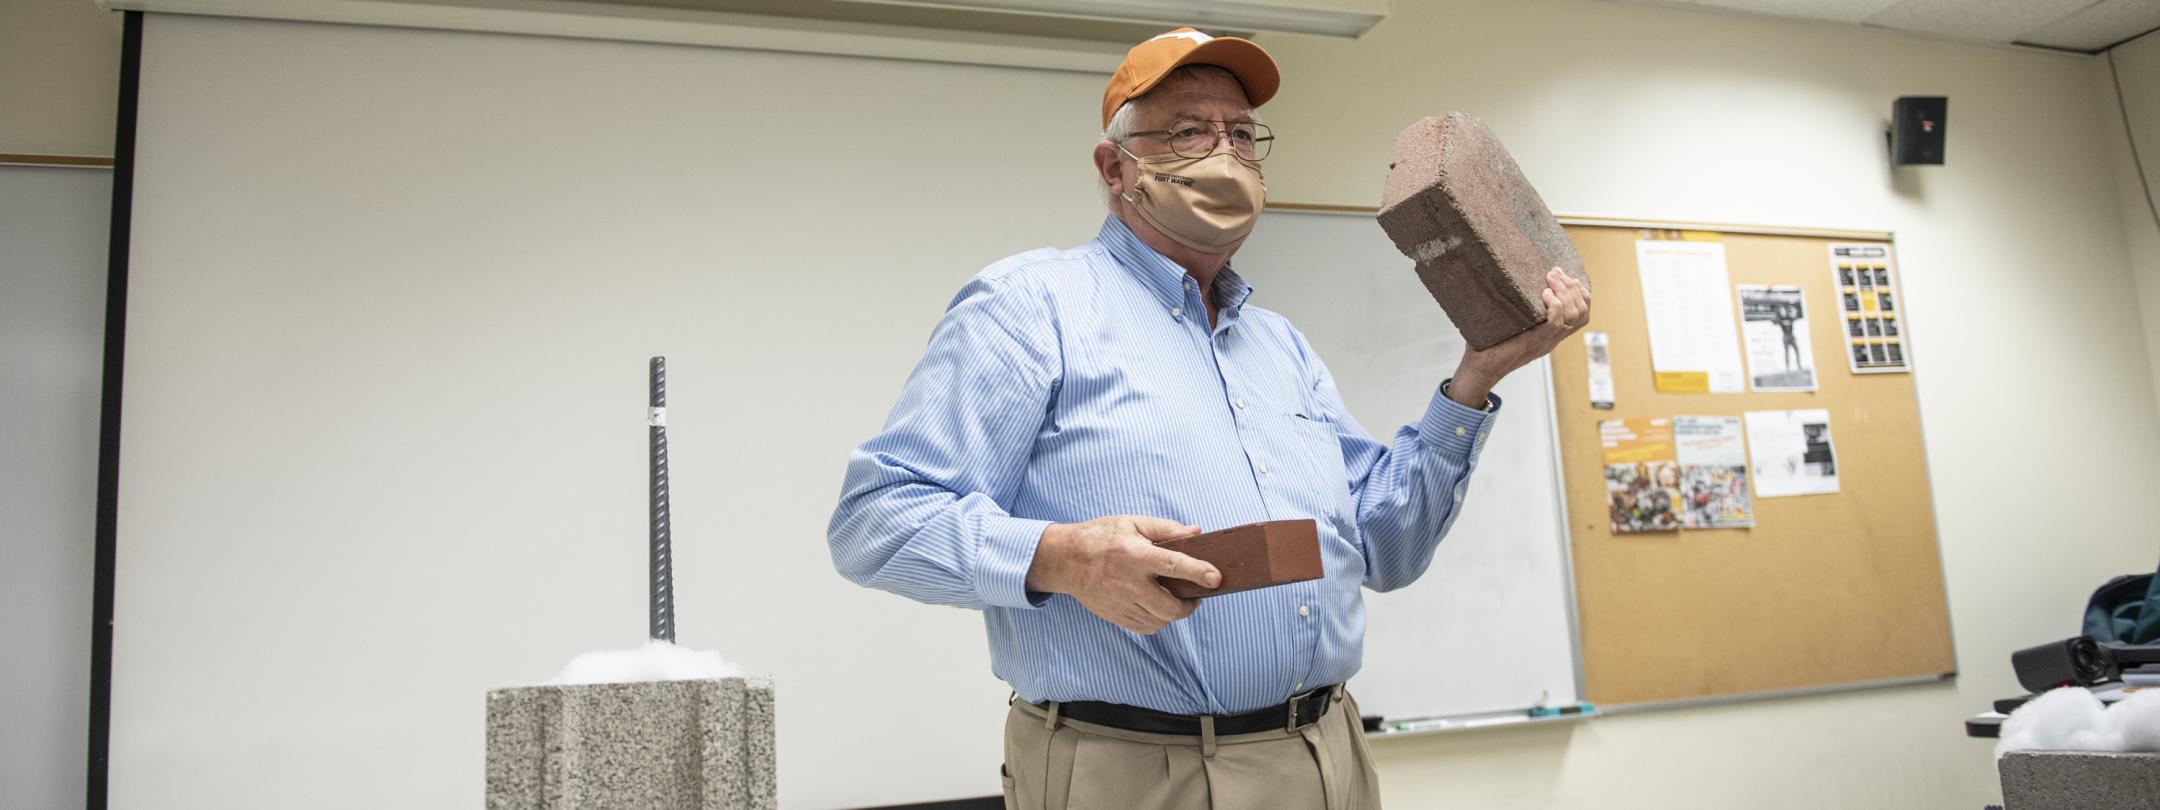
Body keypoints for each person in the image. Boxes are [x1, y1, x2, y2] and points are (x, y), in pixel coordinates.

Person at [826, 26, 1589, 810]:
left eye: (1241, 134)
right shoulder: (1030, 309)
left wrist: (1476, 377)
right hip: (1132, 768)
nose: (1224, 152)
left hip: (1327, 752)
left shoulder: (1279, 344)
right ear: (1114, 167)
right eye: (1190, 130)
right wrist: (1063, 558)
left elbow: (1383, 549)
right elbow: (874, 521)